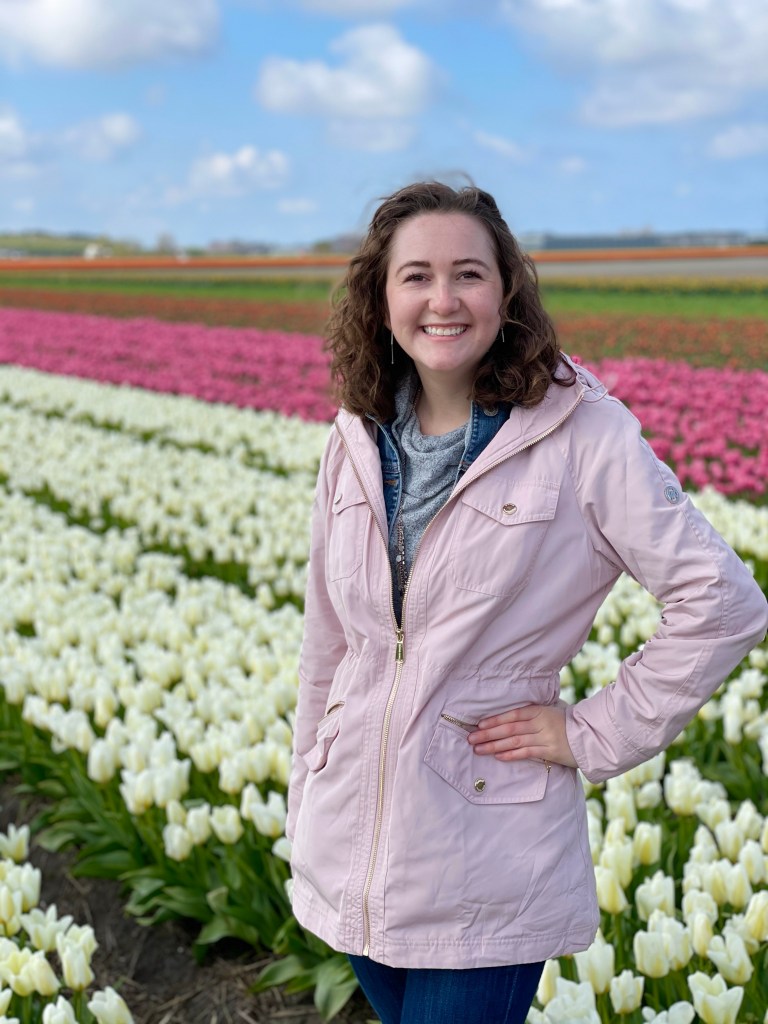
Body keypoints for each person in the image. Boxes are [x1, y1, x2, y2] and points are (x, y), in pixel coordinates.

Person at [285, 181, 768, 1024]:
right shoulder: (356, 435)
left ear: (506, 291)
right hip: (351, 845)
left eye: (468, 274)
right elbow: (331, 642)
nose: (443, 300)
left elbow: (723, 603)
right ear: (380, 299)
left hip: (485, 861)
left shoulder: (582, 435)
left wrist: (591, 732)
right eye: (416, 276)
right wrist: (306, 796)